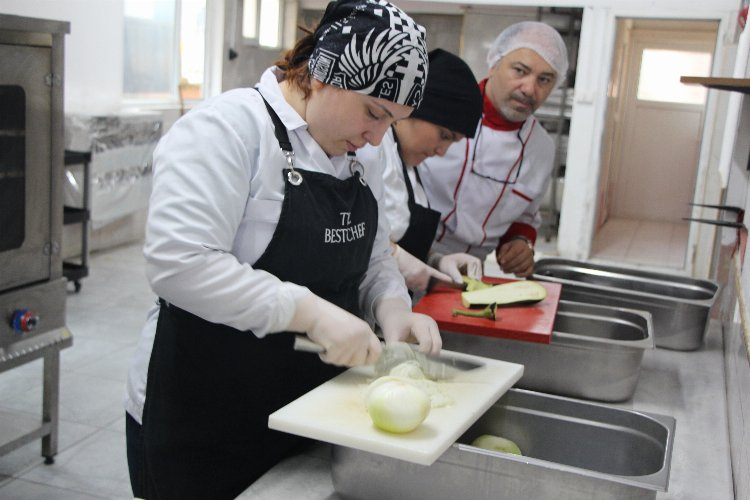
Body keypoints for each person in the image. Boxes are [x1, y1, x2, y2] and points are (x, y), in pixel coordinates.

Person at [123, 1, 440, 498]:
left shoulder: (364, 152)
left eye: (393, 122)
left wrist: (394, 309)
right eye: (374, 112)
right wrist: (308, 312)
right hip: (204, 413)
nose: (377, 136)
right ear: (324, 72)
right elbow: (178, 263)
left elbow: (375, 256)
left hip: (310, 406)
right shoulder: (227, 129)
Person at [419, 21, 569, 278]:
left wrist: (520, 242)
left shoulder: (541, 148)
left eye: (544, 80)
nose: (529, 89)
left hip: (469, 272)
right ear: (494, 63)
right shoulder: (440, 111)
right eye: (520, 71)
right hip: (408, 252)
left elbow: (525, 216)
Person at [359, 48, 484, 293]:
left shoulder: (408, 165)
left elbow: (399, 237)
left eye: (453, 142)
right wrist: (396, 257)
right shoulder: (370, 148)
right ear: (414, 109)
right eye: (444, 135)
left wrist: (434, 259)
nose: (442, 151)